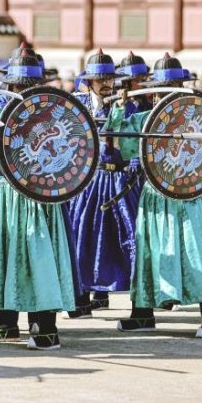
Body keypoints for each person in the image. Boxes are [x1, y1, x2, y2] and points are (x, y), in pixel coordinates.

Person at [114, 54, 202, 339]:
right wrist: (120, 110)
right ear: (153, 91)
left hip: (189, 193)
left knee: (195, 252)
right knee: (148, 252)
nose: (164, 94)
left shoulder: (200, 118)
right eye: (161, 88)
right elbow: (127, 150)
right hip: (156, 194)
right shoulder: (143, 119)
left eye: (172, 87)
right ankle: (142, 313)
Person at [0, 51, 75, 350]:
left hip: (28, 191)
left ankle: (17, 325)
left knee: (15, 256)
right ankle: (30, 327)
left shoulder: (3, 107)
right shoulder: (53, 107)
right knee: (22, 256)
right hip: (29, 191)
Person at [66, 50, 139, 318]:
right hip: (89, 179)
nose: (106, 84)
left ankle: (140, 307)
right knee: (82, 238)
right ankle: (80, 299)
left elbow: (128, 144)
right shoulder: (76, 106)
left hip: (119, 180)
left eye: (109, 78)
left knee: (130, 239)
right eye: (100, 79)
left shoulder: (128, 107)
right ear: (88, 82)